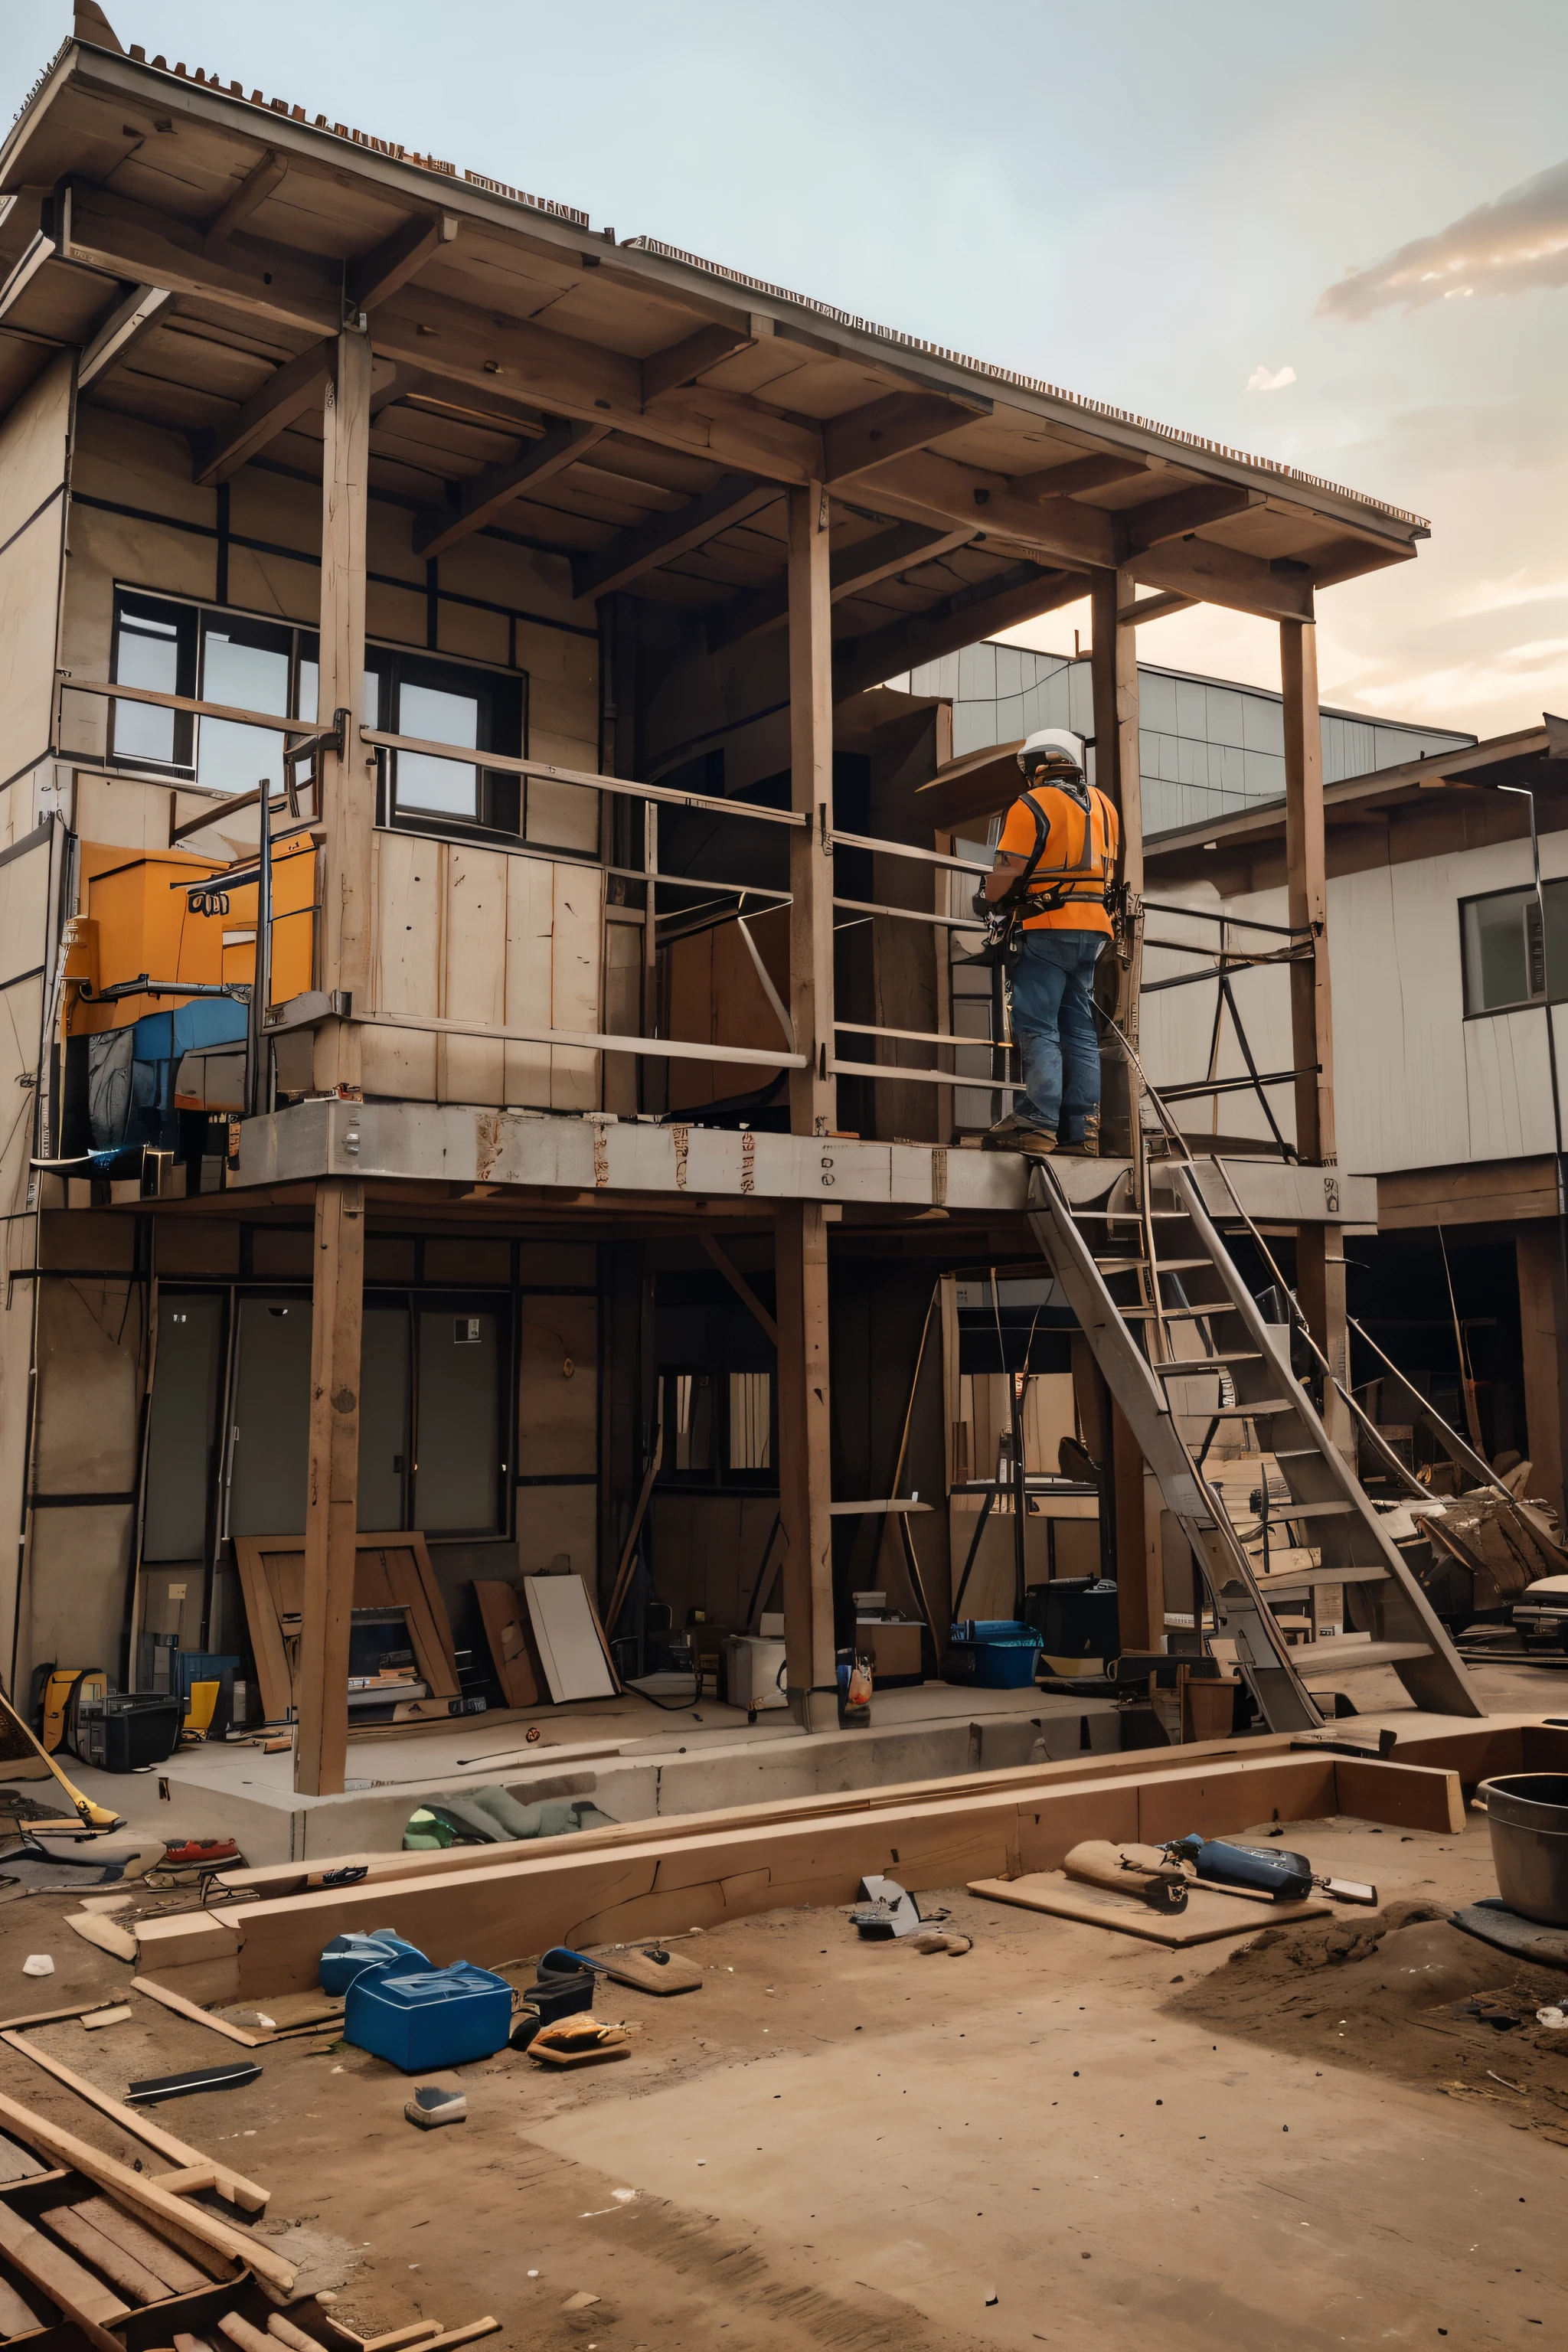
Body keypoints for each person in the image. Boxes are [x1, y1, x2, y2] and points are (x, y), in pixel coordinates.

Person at [976, 727, 1119, 1157]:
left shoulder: (1031, 804)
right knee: (1078, 1028)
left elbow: (1007, 872)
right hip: (1094, 930)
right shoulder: (1104, 806)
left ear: (1040, 763)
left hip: (1047, 924)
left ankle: (1037, 1123)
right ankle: (1083, 1130)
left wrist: (986, 900)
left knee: (1037, 1025)